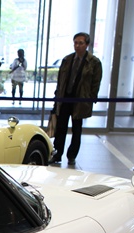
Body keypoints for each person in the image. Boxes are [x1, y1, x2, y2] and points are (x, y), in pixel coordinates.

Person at [50, 32, 102, 165]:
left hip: (80, 100)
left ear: (87, 45)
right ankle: (57, 153)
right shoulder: (67, 60)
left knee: (76, 129)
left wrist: (90, 98)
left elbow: (96, 83)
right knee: (60, 127)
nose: (77, 46)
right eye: (75, 43)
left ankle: (72, 154)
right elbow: (60, 81)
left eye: (80, 43)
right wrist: (57, 98)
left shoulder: (94, 62)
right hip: (65, 98)